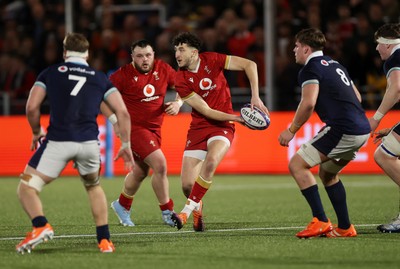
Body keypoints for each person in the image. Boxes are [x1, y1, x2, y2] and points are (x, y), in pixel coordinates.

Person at [15, 33, 134, 254]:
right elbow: (122, 113)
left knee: (26, 188)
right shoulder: (99, 77)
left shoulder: (50, 73)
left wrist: (35, 131)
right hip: (89, 144)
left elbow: (32, 107)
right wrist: (125, 144)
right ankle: (105, 241)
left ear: (64, 52)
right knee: (93, 186)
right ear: (87, 53)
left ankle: (40, 225)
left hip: (58, 142)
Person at [278, 28, 370, 238]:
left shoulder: (310, 69)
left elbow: (308, 103)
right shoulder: (336, 64)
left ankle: (320, 220)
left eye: (297, 46)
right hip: (361, 128)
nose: (294, 50)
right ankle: (345, 227)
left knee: (296, 164)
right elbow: (357, 96)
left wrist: (291, 130)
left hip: (343, 128)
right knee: (328, 174)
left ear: (306, 48)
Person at [171, 32, 269, 231]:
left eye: (181, 49)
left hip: (222, 127)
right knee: (187, 186)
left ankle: (185, 212)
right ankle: (198, 207)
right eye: (175, 50)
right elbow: (206, 110)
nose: (177, 54)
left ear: (194, 52)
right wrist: (238, 118)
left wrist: (255, 97)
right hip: (199, 127)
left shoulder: (213, 59)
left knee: (212, 161)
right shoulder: (180, 79)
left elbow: (250, 65)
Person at [106, 39, 181, 227]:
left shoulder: (163, 69)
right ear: (132, 57)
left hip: (155, 129)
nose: (145, 59)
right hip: (134, 129)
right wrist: (115, 123)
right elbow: (101, 98)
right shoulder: (122, 76)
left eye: (148, 55)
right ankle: (167, 212)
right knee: (160, 165)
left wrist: (179, 103)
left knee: (140, 172)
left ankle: (122, 205)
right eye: (139, 56)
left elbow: (183, 86)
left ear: (154, 54)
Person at [368, 23, 400, 233]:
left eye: (378, 44)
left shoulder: (395, 59)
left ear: (387, 45)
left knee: (384, 156)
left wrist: (376, 118)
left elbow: (397, 89)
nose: (377, 49)